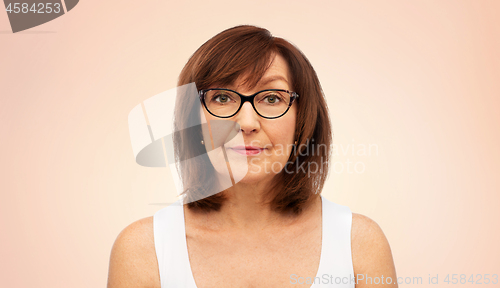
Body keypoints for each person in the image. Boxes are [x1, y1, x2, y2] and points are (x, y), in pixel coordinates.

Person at [107, 25, 397, 288]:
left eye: (271, 98)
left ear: (302, 120)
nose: (246, 123)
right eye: (222, 98)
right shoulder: (142, 250)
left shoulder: (360, 244)